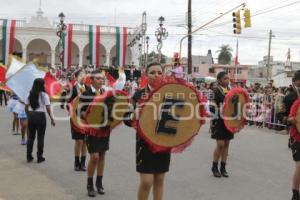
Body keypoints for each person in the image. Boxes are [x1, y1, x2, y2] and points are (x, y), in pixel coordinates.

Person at [124, 62, 171, 200]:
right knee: (146, 181)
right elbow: (125, 117)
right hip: (144, 144)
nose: (156, 75)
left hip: (164, 141)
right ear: (146, 75)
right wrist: (134, 115)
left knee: (159, 179)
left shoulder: (170, 93)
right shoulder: (138, 94)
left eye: (159, 72)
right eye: (152, 72)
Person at [80, 69, 110, 197]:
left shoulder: (106, 93)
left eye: (102, 78)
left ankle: (99, 183)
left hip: (104, 129)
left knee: (102, 156)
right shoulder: (85, 94)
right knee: (94, 157)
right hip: (91, 129)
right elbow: (80, 112)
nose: (101, 80)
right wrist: (90, 115)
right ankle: (89, 184)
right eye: (98, 78)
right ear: (91, 80)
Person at [25, 78, 55, 163]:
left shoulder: (29, 94)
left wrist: (28, 115)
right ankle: (39, 157)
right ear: (41, 85)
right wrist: (52, 119)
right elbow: (48, 108)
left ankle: (29, 156)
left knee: (31, 137)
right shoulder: (44, 95)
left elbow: (26, 107)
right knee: (40, 137)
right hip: (41, 116)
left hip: (31, 115)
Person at [210, 71, 233, 178]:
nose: (227, 80)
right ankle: (214, 167)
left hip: (229, 120)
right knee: (220, 144)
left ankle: (223, 167)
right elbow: (211, 106)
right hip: (218, 120)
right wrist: (220, 110)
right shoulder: (215, 91)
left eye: (228, 78)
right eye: (225, 79)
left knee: (227, 144)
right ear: (219, 80)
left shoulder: (231, 91)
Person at [283, 70, 300, 200]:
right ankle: (295, 194)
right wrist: (290, 120)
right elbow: (281, 115)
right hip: (297, 135)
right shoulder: (289, 97)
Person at [68, 69, 87, 171]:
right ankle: (76, 162)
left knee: (85, 141)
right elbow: (68, 103)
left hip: (86, 119)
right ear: (76, 77)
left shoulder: (88, 88)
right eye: (80, 75)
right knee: (78, 141)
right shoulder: (72, 89)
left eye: (84, 75)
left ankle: (83, 163)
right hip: (76, 118)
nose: (83, 77)